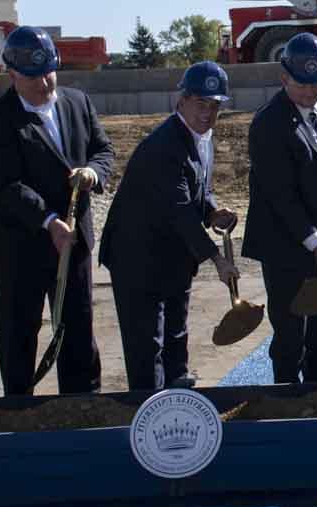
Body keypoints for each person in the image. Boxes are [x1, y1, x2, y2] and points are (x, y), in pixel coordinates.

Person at [0, 25, 115, 396]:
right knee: (20, 330)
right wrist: (49, 221)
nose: (45, 84)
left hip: (74, 243)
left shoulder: (76, 102)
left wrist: (93, 173)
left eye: (49, 73)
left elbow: (103, 150)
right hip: (23, 245)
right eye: (34, 77)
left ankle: (81, 404)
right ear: (12, 75)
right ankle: (20, 411)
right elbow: (7, 185)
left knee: (77, 327)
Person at [98, 61, 241, 390]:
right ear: (182, 101)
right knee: (147, 348)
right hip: (138, 257)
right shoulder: (164, 146)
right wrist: (217, 259)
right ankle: (149, 416)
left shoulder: (200, 137)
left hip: (173, 255)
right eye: (200, 104)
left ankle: (180, 396)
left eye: (215, 105)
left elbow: (195, 191)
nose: (208, 113)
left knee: (176, 334)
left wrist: (212, 211)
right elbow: (178, 209)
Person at [244, 33, 317, 383]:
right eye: (302, 84)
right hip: (286, 247)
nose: (311, 92)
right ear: (283, 78)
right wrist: (315, 243)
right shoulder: (269, 124)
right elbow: (280, 196)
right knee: (291, 337)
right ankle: (287, 403)